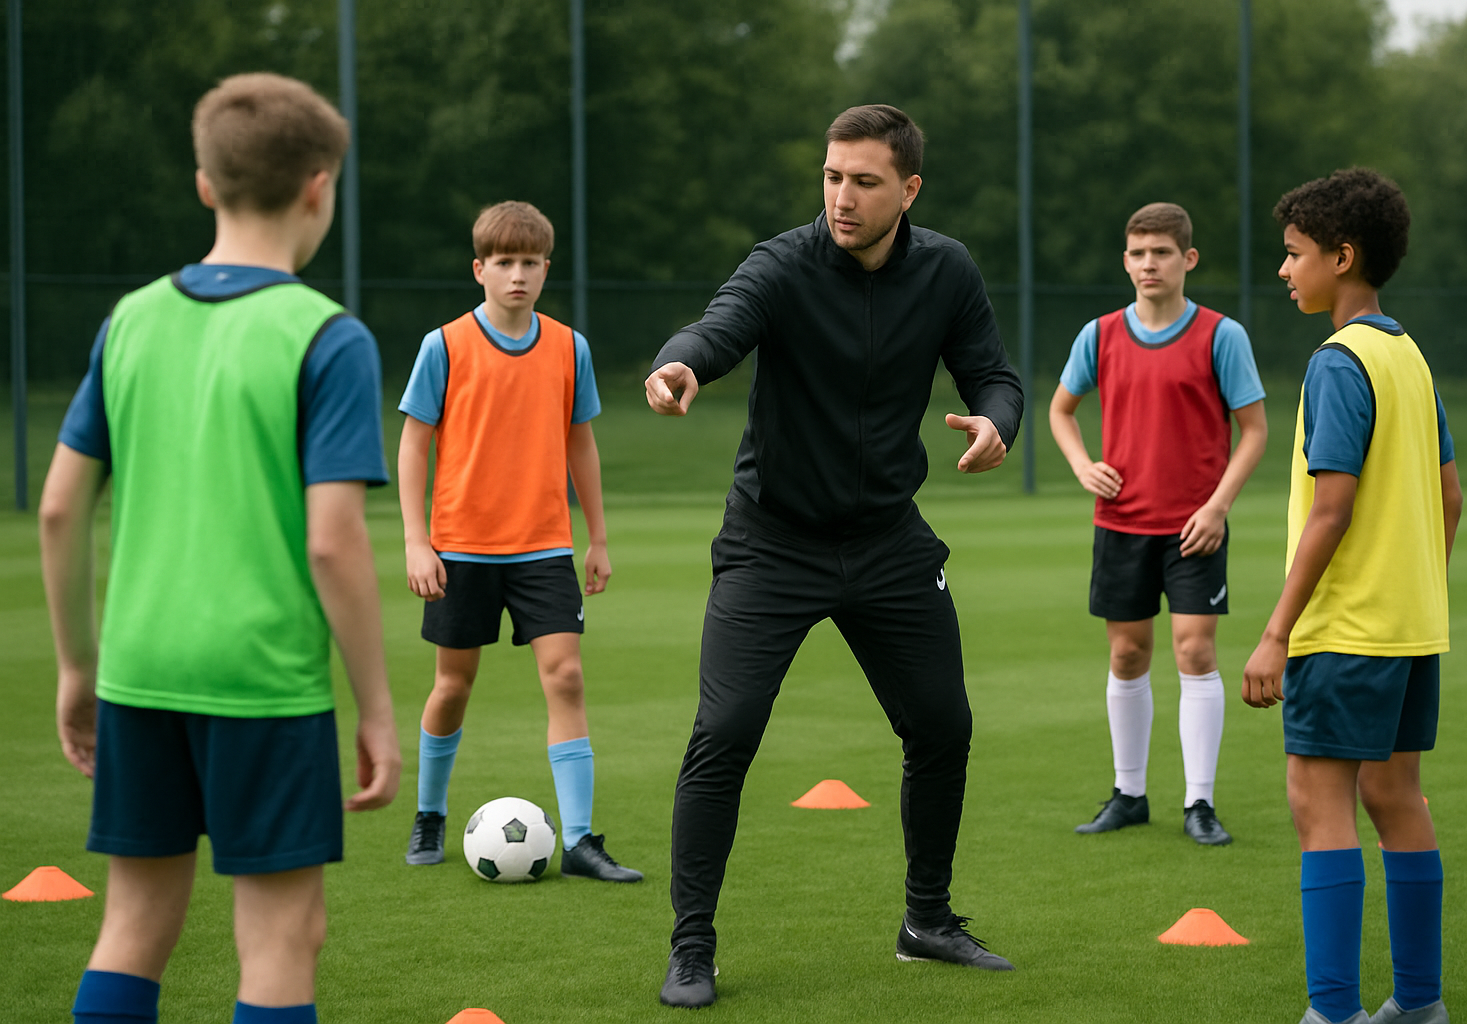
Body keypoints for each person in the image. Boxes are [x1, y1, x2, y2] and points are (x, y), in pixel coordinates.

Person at [38, 73, 401, 1024]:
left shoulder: (130, 319)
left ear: (205, 184)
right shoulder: (328, 337)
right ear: (319, 187)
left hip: (139, 672)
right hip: (262, 680)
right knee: (282, 937)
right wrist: (375, 707)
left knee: (133, 925)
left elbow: (60, 509)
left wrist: (78, 666)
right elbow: (333, 544)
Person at [644, 104, 1025, 1008]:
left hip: (889, 542)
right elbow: (718, 328)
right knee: (725, 732)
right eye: (831, 177)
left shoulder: (946, 269)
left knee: (942, 726)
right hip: (772, 543)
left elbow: (994, 374)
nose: (842, 198)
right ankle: (692, 949)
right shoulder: (781, 265)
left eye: (864, 181)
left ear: (909, 189)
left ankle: (927, 922)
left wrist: (998, 424)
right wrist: (681, 365)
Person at [1243, 168, 1460, 1024]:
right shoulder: (1409, 355)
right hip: (1408, 628)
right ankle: (1419, 1005)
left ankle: (1332, 1013)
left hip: (1345, 630)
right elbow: (1449, 498)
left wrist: (1275, 632)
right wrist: (1415, 591)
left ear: (1342, 256)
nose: (1284, 269)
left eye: (1295, 254)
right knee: (1395, 797)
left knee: (1317, 800)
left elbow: (1331, 508)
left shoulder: (1338, 362)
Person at [397, 200, 640, 884]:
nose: (517, 275)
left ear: (546, 269)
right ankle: (429, 814)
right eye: (504, 262)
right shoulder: (444, 345)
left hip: (543, 548)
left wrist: (597, 537)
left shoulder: (569, 347)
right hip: (460, 548)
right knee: (453, 685)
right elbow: (414, 445)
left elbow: (580, 444)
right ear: (479, 269)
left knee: (566, 676)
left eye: (530, 263)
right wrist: (417, 540)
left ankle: (581, 840)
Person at [1048, 202, 1268, 845]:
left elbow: (1254, 431)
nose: (1150, 264)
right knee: (1127, 653)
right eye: (1139, 253)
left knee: (1195, 651)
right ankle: (1129, 794)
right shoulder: (1099, 335)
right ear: (1126, 261)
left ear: (1187, 259)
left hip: (1196, 526)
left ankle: (1200, 802)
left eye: (1162, 253)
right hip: (1122, 523)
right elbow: (1062, 410)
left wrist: (1218, 506)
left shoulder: (1222, 335)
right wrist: (1082, 464)